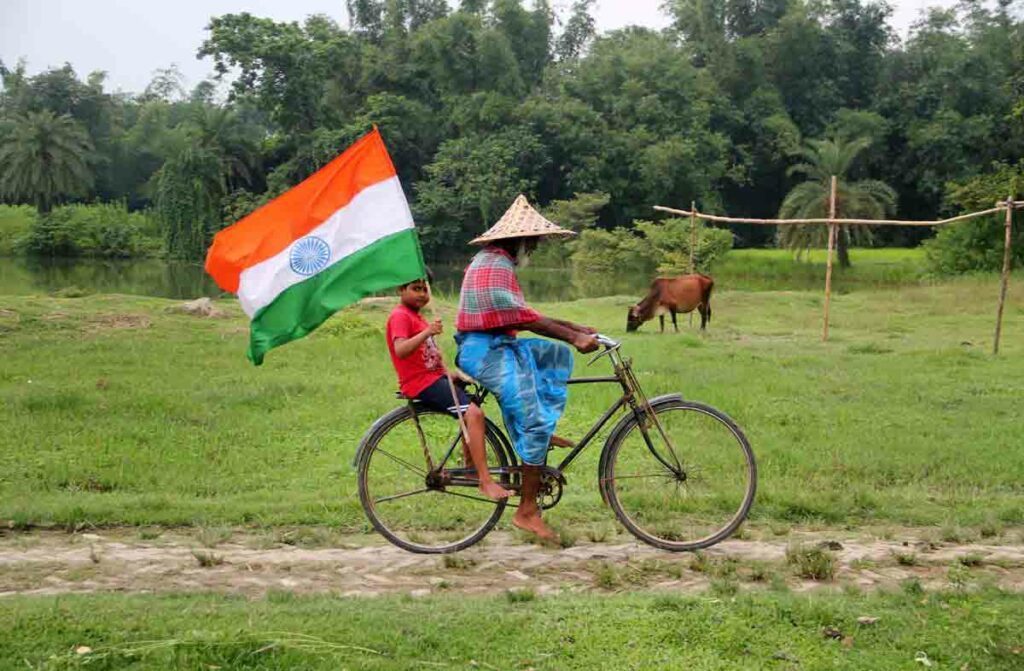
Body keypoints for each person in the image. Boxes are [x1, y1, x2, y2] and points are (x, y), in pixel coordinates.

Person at [455, 195, 599, 541]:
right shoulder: (494, 265)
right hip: (483, 351)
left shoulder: (495, 261)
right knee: (534, 419)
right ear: (518, 239)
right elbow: (523, 317)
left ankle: (535, 429)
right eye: (532, 242)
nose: (533, 249)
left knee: (554, 357)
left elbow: (523, 312)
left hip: (496, 344)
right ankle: (527, 510)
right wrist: (573, 336)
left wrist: (575, 328)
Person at [386, 275, 512, 501]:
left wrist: (452, 375)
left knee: (480, 395)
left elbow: (426, 359)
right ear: (401, 289)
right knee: (474, 414)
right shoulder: (400, 316)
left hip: (433, 377)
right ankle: (484, 480)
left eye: (425, 290)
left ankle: (472, 465)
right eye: (416, 288)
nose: (422, 295)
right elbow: (401, 350)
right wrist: (427, 333)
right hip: (420, 382)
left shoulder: (416, 317)